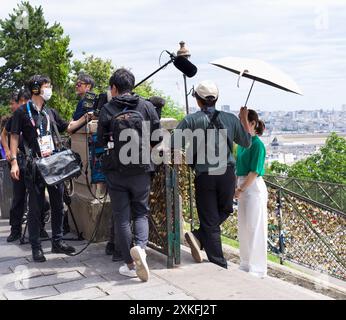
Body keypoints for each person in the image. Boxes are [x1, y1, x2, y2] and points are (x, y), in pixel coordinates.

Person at [172, 80, 251, 269]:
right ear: (216, 99)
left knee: (210, 220)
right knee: (225, 210)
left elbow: (174, 143)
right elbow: (247, 142)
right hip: (227, 175)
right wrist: (244, 119)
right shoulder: (231, 119)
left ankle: (216, 260)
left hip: (205, 175)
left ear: (198, 100)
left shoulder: (191, 120)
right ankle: (202, 241)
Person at [9, 75, 90, 262]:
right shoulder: (22, 112)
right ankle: (36, 247)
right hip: (34, 165)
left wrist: (86, 117)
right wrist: (13, 161)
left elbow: (68, 128)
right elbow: (13, 136)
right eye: (47, 86)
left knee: (57, 204)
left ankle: (57, 242)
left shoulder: (49, 112)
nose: (50, 89)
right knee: (36, 207)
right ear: (36, 89)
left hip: (54, 165)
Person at [97, 68, 160, 281]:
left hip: (116, 170)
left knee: (121, 217)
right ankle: (140, 249)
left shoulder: (107, 109)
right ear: (131, 86)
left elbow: (101, 141)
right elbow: (156, 136)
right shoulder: (146, 106)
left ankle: (129, 264)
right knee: (141, 212)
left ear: (114, 88)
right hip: (141, 168)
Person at [1, 89, 50, 242]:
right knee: (18, 198)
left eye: (24, 101)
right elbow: (4, 135)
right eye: (20, 102)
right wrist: (9, 151)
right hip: (20, 161)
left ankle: (40, 227)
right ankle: (15, 230)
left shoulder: (40, 114)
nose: (22, 105)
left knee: (39, 198)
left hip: (36, 162)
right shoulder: (17, 116)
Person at [234, 109, 268, 278]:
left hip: (253, 187)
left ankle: (257, 267)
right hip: (242, 186)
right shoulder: (242, 144)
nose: (240, 125)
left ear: (253, 123)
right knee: (244, 227)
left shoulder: (257, 145)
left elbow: (254, 172)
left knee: (255, 227)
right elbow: (238, 168)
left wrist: (240, 189)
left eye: (243, 121)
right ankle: (245, 263)